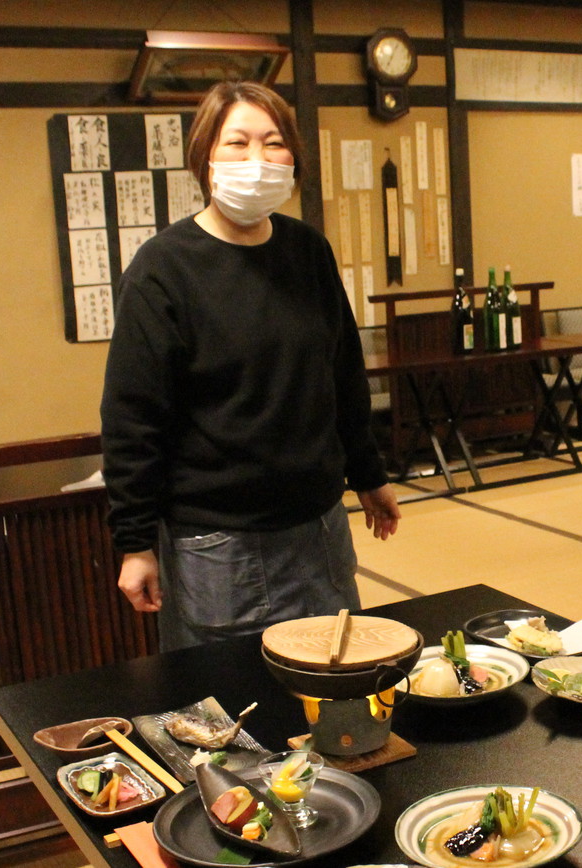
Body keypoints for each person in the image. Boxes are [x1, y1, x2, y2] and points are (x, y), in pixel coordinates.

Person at [102, 81, 400, 652]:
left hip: (319, 526)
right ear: (205, 158)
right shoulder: (163, 269)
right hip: (218, 544)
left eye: (273, 142)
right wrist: (136, 543)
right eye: (237, 143)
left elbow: (343, 374)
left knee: (336, 689)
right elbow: (132, 417)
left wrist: (368, 475)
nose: (258, 160)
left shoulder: (307, 250)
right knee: (232, 717)